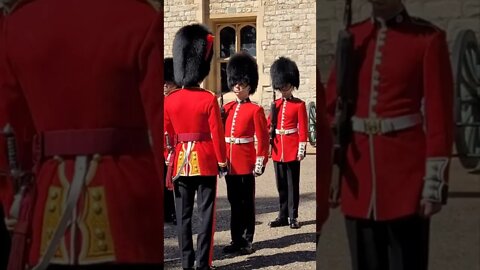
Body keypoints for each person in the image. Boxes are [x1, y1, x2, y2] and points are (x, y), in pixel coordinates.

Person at [0, 1, 165, 269]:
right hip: (129, 211)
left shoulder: (18, 21)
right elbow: (158, 129)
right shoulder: (141, 15)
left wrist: (15, 210)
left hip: (47, 213)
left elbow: (9, 137)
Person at [325, 1, 454, 269]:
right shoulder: (355, 36)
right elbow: (331, 111)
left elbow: (439, 117)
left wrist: (433, 183)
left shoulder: (428, 38)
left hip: (407, 181)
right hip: (358, 178)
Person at [164, 23, 228, 270]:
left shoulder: (170, 101)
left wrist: (169, 156)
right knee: (206, 216)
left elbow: (165, 136)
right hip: (205, 160)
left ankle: (186, 263)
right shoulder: (209, 98)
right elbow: (217, 135)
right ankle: (203, 263)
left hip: (179, 163)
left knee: (183, 217)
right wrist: (222, 162)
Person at [221, 52, 269, 255]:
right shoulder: (227, 108)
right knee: (233, 202)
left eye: (241, 83)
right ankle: (236, 239)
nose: (237, 86)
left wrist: (261, 160)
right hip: (230, 163)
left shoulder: (255, 110)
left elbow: (263, 138)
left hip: (246, 162)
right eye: (235, 82)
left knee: (246, 202)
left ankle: (248, 240)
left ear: (250, 85)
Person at [267, 56, 308, 230]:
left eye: (286, 86)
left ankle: (293, 216)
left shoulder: (299, 105)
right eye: (282, 86)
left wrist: (301, 148)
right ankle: (282, 215)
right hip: (278, 148)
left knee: (292, 185)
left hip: (291, 148)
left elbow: (303, 128)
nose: (284, 89)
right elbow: (268, 125)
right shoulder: (275, 105)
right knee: (281, 185)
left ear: (292, 85)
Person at [163, 57, 177, 225]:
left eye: (167, 81)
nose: (165, 85)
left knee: (173, 183)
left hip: (174, 147)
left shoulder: (177, 99)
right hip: (160, 147)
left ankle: (173, 212)